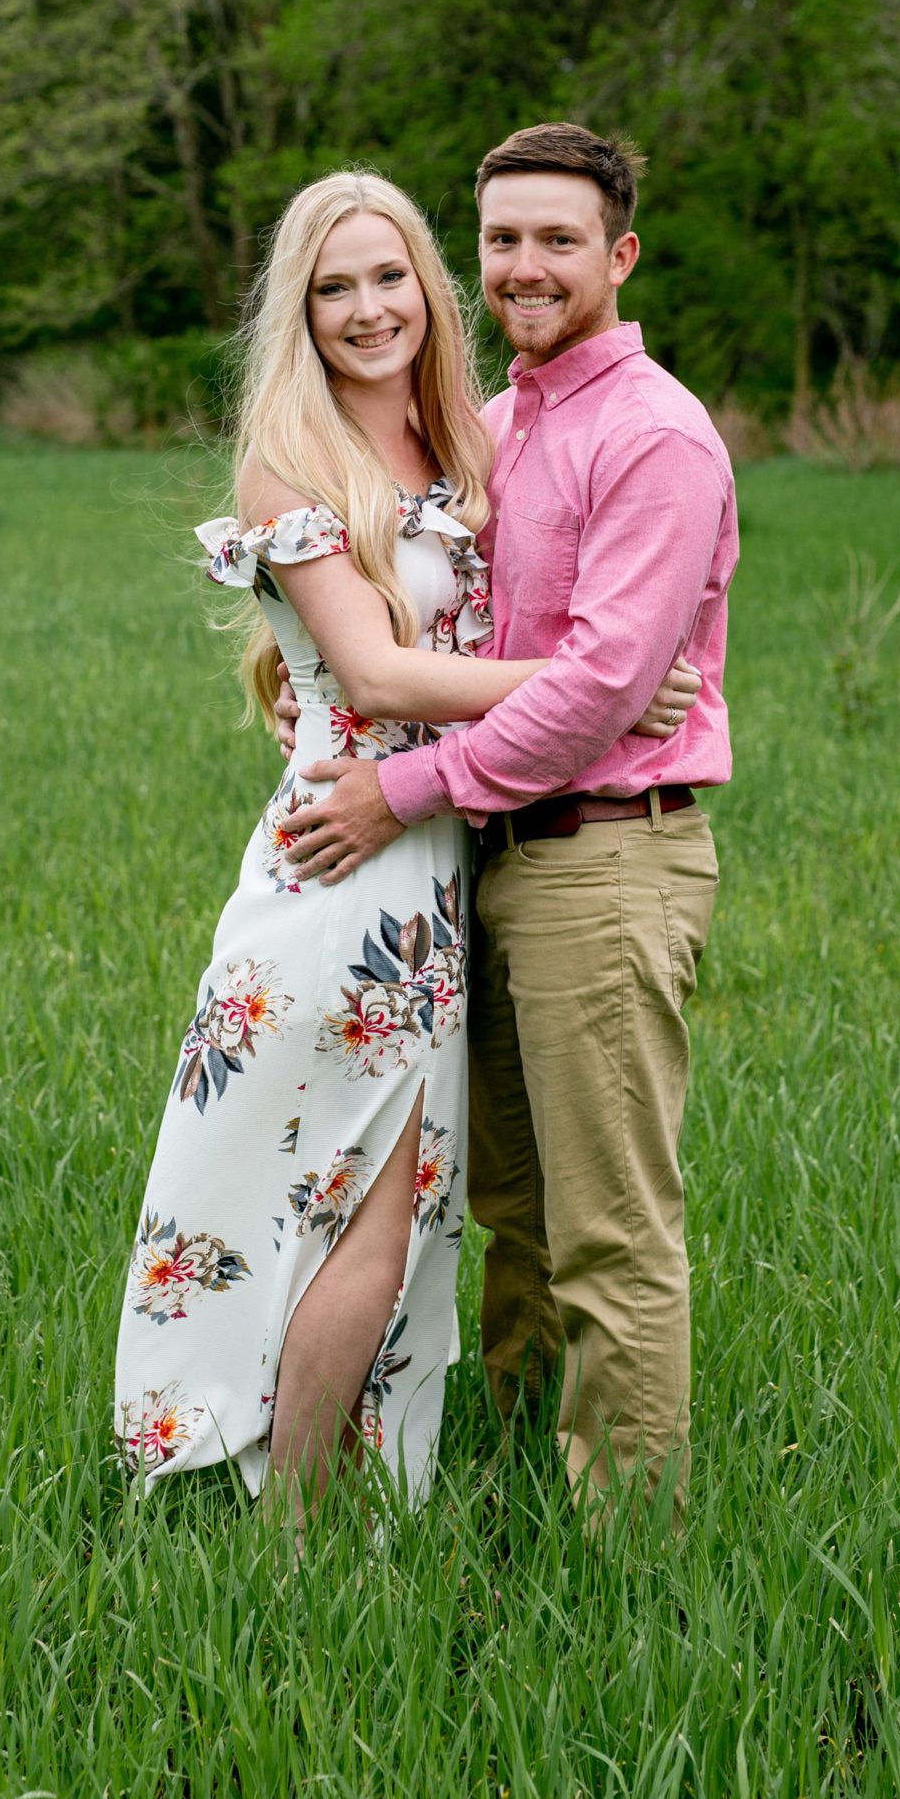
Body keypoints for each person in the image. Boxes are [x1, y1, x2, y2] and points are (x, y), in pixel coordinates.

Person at [112, 168, 697, 1521]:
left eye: (388, 278)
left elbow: (459, 628)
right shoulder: (289, 458)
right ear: (298, 311)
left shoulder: (468, 446)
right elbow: (373, 671)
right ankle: (294, 1531)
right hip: (347, 867)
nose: (367, 309)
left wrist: (575, 675)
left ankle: (331, 1496)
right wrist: (596, 681)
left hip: (439, 852)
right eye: (333, 287)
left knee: (412, 1199)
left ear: (430, 291)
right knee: (361, 1212)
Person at [281, 124, 737, 1526]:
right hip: (491, 864)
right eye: (499, 240)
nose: (523, 267)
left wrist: (399, 788)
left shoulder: (648, 432)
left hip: (606, 859)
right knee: (513, 1216)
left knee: (607, 1233)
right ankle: (512, 1466)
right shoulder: (508, 417)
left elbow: (604, 695)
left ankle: (624, 1549)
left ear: (619, 254)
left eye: (555, 240)